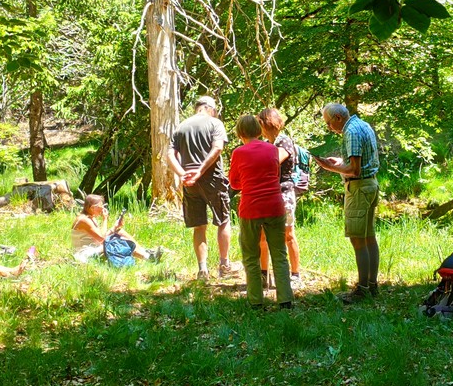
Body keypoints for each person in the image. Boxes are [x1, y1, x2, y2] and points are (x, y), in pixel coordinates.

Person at [164, 96, 237, 280]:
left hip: (190, 183)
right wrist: (200, 170)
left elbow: (169, 154)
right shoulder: (215, 123)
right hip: (212, 179)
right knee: (223, 220)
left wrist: (182, 174)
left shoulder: (181, 127)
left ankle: (202, 270)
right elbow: (218, 148)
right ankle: (224, 265)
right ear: (210, 108)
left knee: (199, 226)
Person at [313, 103, 380, 304]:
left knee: (358, 239)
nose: (329, 128)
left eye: (328, 123)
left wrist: (330, 167)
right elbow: (358, 162)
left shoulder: (350, 132)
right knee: (369, 237)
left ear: (338, 118)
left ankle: (362, 289)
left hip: (359, 188)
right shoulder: (362, 124)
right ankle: (372, 285)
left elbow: (355, 170)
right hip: (371, 184)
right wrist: (340, 162)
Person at [228, 114, 293, 309]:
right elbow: (276, 174)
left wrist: (248, 183)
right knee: (279, 254)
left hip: (251, 208)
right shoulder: (273, 149)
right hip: (275, 205)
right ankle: (285, 300)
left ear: (240, 133)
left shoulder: (239, 153)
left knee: (251, 256)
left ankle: (256, 301)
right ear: (258, 130)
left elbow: (234, 182)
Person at [256, 108, 302, 289]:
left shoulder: (284, 141)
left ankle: (295, 275)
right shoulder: (266, 143)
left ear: (265, 123)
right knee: (262, 236)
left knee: (288, 234)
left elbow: (275, 159)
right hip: (268, 193)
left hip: (284, 193)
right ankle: (263, 276)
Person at [71, 194, 163, 263]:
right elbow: (102, 238)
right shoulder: (84, 220)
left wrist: (116, 227)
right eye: (101, 206)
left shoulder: (90, 218)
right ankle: (149, 258)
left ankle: (145, 252)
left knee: (119, 231)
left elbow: (101, 237)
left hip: (94, 247)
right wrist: (105, 219)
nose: (103, 209)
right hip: (85, 254)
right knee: (117, 242)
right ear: (92, 208)